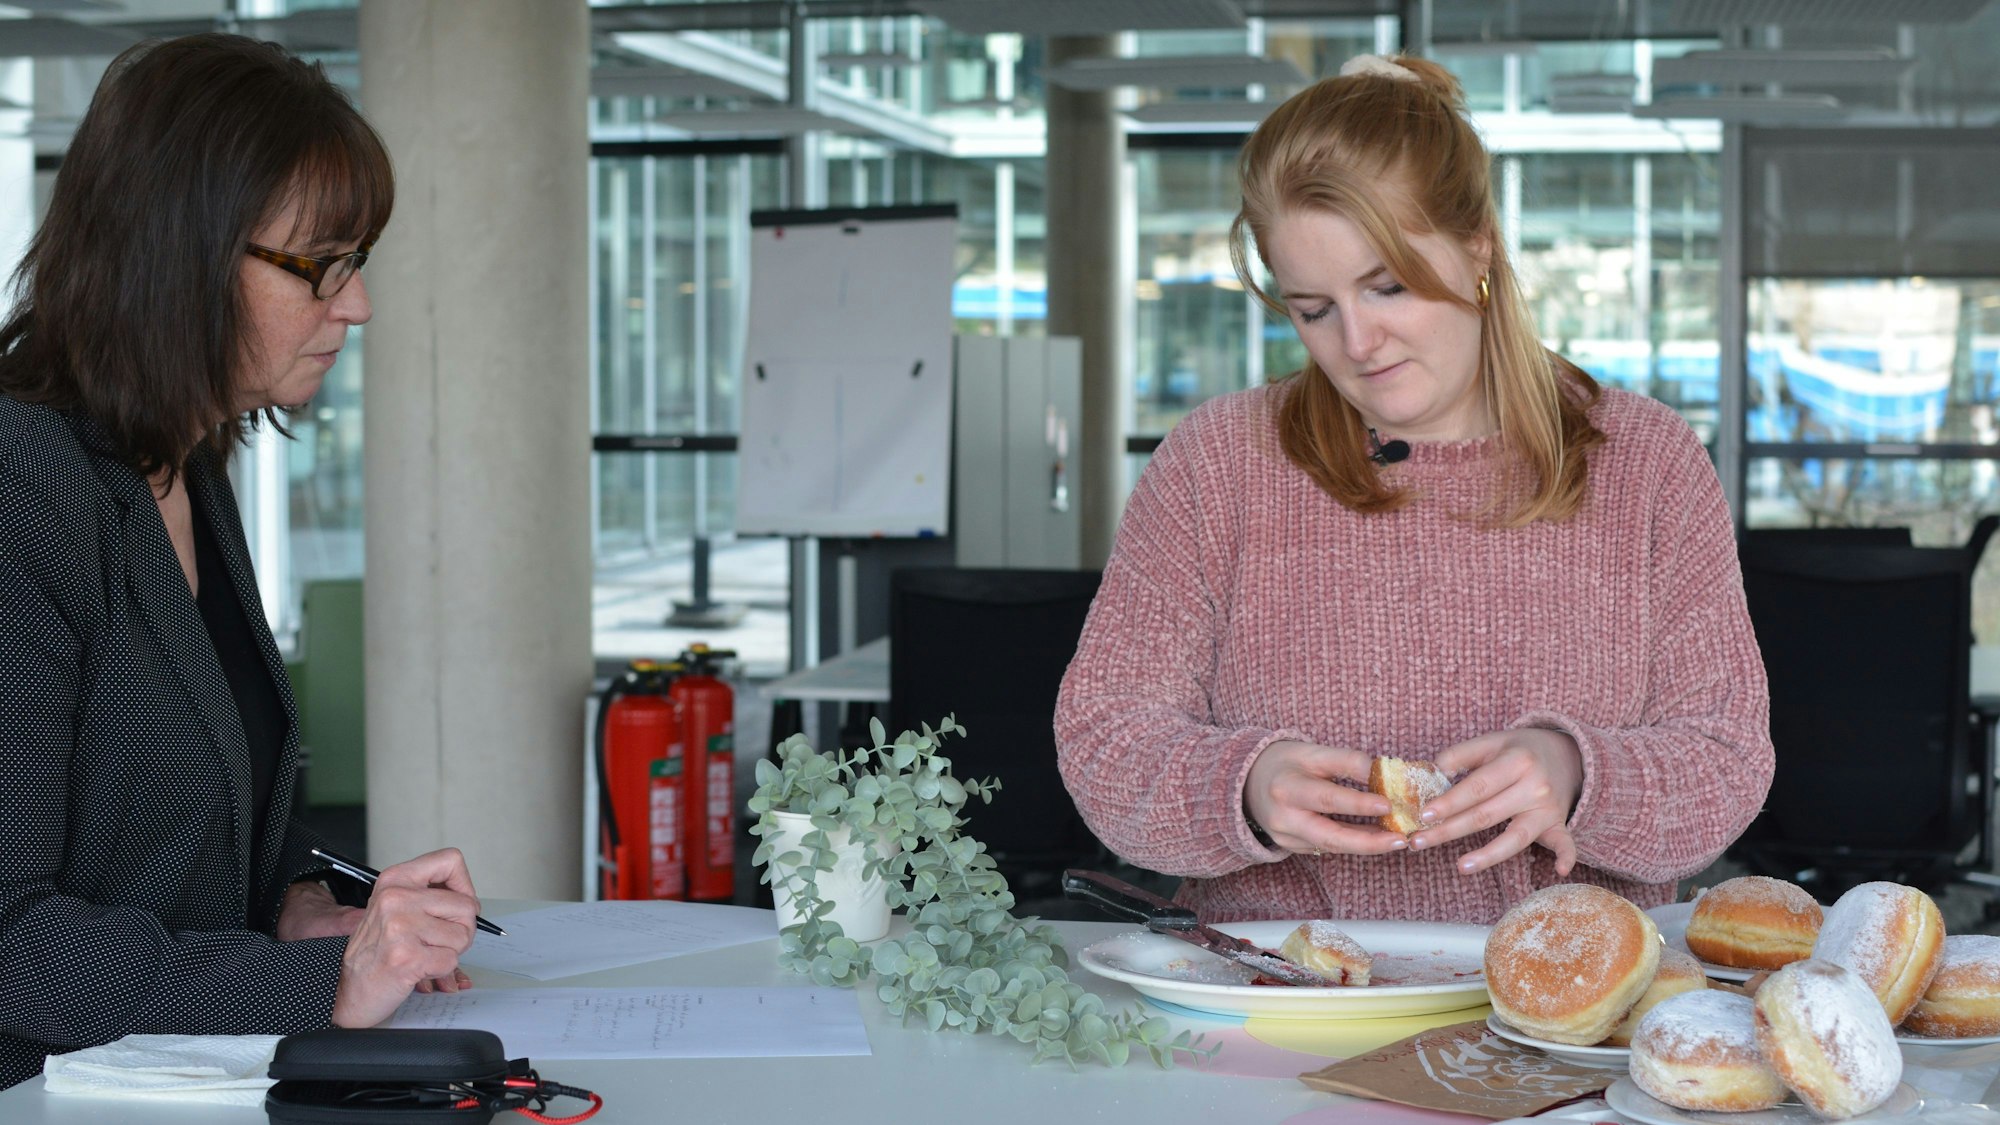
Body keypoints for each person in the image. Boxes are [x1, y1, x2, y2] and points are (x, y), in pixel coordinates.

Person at [1054, 54, 1773, 926]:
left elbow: (1727, 758)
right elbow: (1103, 738)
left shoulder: (1647, 461)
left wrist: (1580, 774)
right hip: (1278, 988)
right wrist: (1242, 787)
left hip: (1565, 996)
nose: (1358, 343)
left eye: (1387, 286)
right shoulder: (1217, 463)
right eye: (1313, 309)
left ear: (1479, 245)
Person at [0, 34, 483, 1089]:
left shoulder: (185, 467)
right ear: (180, 254)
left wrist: (295, 907)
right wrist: (322, 982)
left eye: (358, 261)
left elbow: (169, 831)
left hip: (176, 1082)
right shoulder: (22, 490)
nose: (356, 304)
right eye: (320, 265)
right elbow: (12, 943)